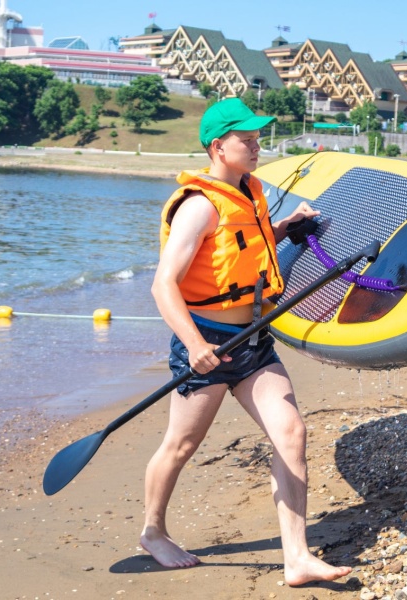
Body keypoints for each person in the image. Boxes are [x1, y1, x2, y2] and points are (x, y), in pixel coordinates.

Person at [142, 98, 352, 586]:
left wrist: (283, 227)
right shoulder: (198, 206)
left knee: (291, 433)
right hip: (208, 343)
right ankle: (153, 532)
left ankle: (297, 557)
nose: (257, 147)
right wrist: (195, 345)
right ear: (218, 146)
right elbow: (162, 285)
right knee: (181, 444)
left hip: (254, 340)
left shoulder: (249, 192)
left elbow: (243, 248)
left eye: (258, 139)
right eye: (247, 140)